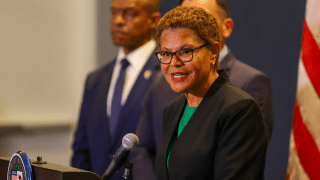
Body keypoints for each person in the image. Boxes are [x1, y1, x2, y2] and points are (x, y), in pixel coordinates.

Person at [132, 0, 273, 179]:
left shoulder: (239, 110)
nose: (174, 63)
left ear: (213, 52)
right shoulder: (174, 109)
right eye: (166, 53)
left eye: (185, 51)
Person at [71, 0, 161, 179]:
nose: (118, 21)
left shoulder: (167, 75)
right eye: (114, 13)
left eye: (129, 14)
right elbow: (81, 149)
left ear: (153, 20)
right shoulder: (95, 79)